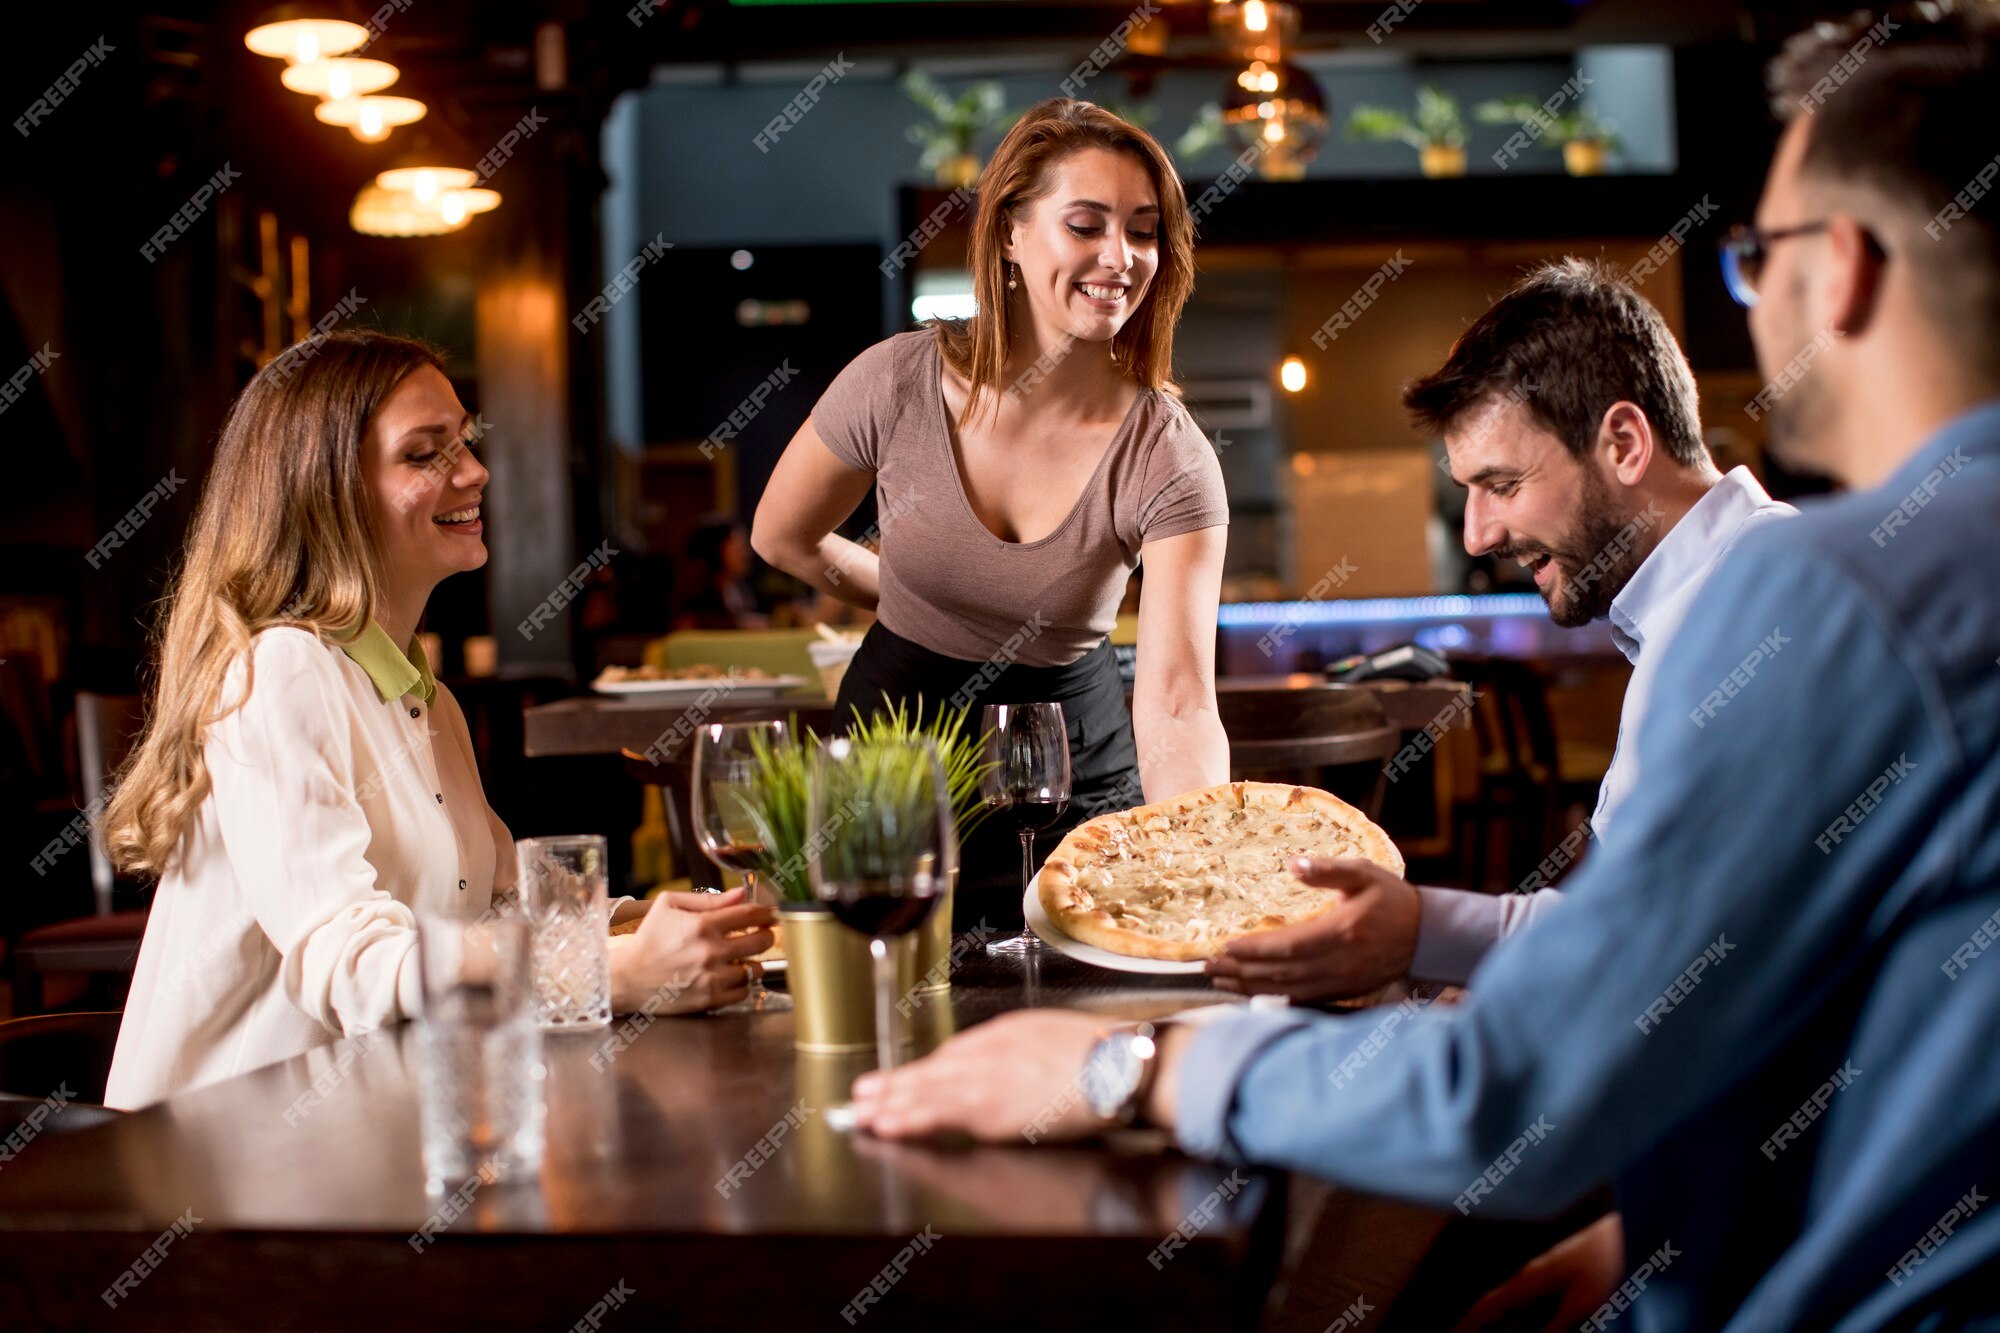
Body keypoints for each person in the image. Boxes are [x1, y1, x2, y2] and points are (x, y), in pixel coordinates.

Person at [852, 10, 2000, 1328]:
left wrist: (1128, 1067)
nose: (1481, 532)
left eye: (1756, 257)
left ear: (1843, 269)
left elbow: (1518, 1093)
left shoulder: (1825, 599)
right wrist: (1662, 1232)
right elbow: (1870, 1020)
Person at [102, 331, 774, 1110]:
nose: (476, 471)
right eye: (426, 454)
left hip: (377, 1119)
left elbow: (486, 906)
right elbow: (349, 965)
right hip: (228, 1157)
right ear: (328, 491)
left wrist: (642, 920)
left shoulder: (428, 697)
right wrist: (611, 971)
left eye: (464, 443)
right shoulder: (279, 670)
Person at [1207, 260, 1795, 1005]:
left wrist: (1422, 933)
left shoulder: (1762, 601)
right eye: (1469, 493)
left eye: (1503, 485)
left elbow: (1673, 956)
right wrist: (1491, 984)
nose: (1479, 536)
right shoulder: (1714, 587)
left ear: (1622, 444)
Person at [752, 98, 1230, 928]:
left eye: (1145, 231)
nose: (1121, 256)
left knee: (1078, 1028)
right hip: (892, 755)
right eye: (1087, 225)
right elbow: (782, 537)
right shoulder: (895, 382)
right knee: (885, 1019)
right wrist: (909, 595)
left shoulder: (1170, 454)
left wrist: (1201, 873)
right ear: (1009, 232)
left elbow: (1181, 701)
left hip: (1071, 782)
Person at [672, 515, 769, 630]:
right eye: (739, 547)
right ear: (718, 550)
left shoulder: (740, 590)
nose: (747, 554)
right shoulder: (696, 593)